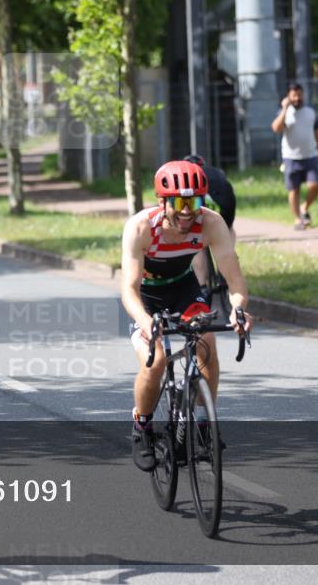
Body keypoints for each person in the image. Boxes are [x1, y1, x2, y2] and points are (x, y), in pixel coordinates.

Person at [120, 160, 252, 471]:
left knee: (206, 340)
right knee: (156, 362)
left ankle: (204, 426)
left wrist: (238, 308)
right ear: (161, 201)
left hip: (183, 289)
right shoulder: (140, 228)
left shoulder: (210, 223)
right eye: (178, 202)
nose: (186, 211)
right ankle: (142, 427)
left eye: (194, 202)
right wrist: (145, 322)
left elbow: (234, 278)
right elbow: (129, 288)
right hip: (146, 298)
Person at [271, 83, 318, 230]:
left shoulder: (310, 112)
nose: (297, 98)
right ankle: (297, 219)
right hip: (291, 157)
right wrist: (284, 109)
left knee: (315, 186)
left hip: (310, 156)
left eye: (299, 95)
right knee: (294, 190)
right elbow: (276, 128)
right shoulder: (284, 113)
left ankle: (305, 207)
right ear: (288, 97)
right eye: (294, 95)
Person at [183, 154, 237, 290]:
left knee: (195, 238)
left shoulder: (185, 177)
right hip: (225, 202)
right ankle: (223, 273)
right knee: (228, 230)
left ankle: (202, 286)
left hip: (200, 202)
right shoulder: (216, 172)